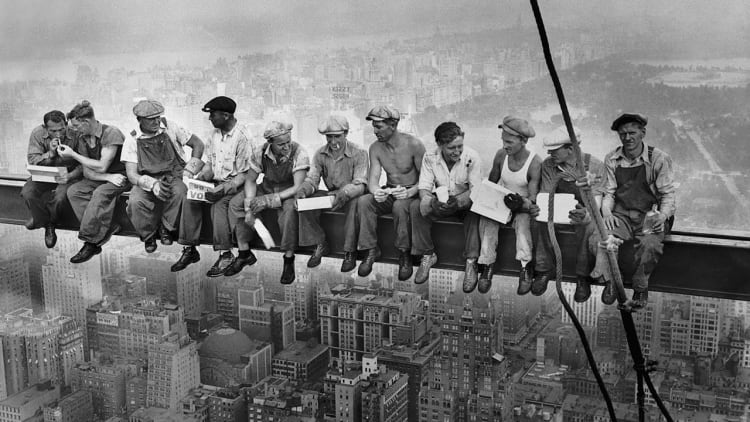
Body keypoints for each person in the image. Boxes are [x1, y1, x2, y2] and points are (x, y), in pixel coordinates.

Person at [589, 113, 676, 309]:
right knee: (602, 238)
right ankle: (612, 281)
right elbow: (609, 192)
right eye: (622, 134)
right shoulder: (612, 158)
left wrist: (662, 216)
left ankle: (640, 285)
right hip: (622, 214)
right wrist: (607, 213)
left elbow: (668, 194)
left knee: (650, 245)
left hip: (650, 215)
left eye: (632, 133)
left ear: (642, 133)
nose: (627, 138)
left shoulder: (658, 159)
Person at [172, 96, 253, 275]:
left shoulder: (243, 138)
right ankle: (189, 249)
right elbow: (210, 164)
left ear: (225, 115)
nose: (210, 119)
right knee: (190, 198)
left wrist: (223, 189)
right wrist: (201, 179)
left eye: (213, 115)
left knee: (219, 205)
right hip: (216, 182)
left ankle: (225, 254)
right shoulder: (214, 136)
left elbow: (243, 175)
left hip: (236, 186)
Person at [230, 118, 310, 283]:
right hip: (267, 187)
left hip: (288, 192)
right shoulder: (260, 152)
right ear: (271, 142)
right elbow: (251, 180)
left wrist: (268, 200)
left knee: (289, 212)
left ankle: (288, 258)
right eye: (281, 144)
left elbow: (297, 187)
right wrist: (249, 205)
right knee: (236, 203)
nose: (286, 147)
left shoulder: (299, 152)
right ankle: (244, 251)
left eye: (288, 142)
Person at [530, 126, 606, 301]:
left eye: (555, 150)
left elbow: (597, 202)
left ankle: (582, 276)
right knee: (539, 220)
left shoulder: (594, 165)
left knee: (587, 226)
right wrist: (541, 208)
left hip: (583, 211)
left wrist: (585, 213)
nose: (550, 153)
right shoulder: (549, 165)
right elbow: (546, 193)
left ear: (571, 149)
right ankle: (543, 269)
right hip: (557, 208)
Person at [121, 99, 205, 253]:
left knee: (180, 193)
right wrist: (152, 185)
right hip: (146, 179)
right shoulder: (132, 139)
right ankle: (148, 235)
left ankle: (166, 228)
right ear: (139, 120)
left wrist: (189, 171)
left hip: (173, 175)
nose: (156, 121)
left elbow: (198, 144)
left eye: (158, 117)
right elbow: (132, 174)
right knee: (135, 201)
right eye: (151, 119)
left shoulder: (170, 126)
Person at [356, 105, 426, 281]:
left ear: (393, 126)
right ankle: (371, 249)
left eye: (378, 126)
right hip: (390, 189)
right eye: (373, 126)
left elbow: (426, 180)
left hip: (412, 192)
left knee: (400, 206)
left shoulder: (414, 145)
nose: (374, 131)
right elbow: (373, 180)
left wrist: (410, 192)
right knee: (364, 201)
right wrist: (377, 192)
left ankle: (404, 254)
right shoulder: (375, 148)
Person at [59, 101, 130, 263]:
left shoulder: (111, 133)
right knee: (74, 191)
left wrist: (73, 155)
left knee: (100, 193)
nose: (75, 130)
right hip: (105, 177)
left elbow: (102, 165)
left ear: (86, 122)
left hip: (122, 177)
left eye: (76, 126)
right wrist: (107, 178)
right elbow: (87, 171)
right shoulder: (83, 138)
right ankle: (107, 227)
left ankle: (90, 242)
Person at [477, 116, 542, 294]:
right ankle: (487, 264)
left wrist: (521, 203)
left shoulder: (534, 163)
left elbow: (533, 197)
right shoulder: (501, 155)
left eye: (509, 142)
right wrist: (487, 201)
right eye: (503, 141)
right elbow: (491, 183)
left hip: (521, 205)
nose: (505, 145)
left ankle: (525, 266)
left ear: (523, 141)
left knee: (522, 224)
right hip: (502, 201)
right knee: (488, 220)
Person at [413, 122, 481, 289]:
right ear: (440, 145)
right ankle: (427, 254)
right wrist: (432, 202)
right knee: (416, 208)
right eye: (452, 148)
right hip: (441, 200)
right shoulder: (430, 157)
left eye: (460, 146)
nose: (457, 152)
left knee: (475, 213)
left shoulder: (472, 157)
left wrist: (458, 202)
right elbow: (424, 187)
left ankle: (471, 261)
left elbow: (476, 190)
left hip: (464, 201)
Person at [296, 114, 368, 271]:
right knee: (305, 204)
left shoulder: (359, 152)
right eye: (329, 137)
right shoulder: (320, 154)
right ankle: (319, 242)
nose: (333, 142)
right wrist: (304, 190)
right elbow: (313, 179)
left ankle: (349, 251)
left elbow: (360, 183)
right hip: (331, 195)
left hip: (352, 194)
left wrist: (344, 193)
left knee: (354, 205)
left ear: (346, 134)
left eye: (337, 136)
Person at [22, 110, 82, 248]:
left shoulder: (76, 133)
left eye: (61, 129)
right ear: (45, 128)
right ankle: (42, 220)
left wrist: (70, 175)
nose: (58, 134)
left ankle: (49, 223)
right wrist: (50, 154)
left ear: (66, 124)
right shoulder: (37, 133)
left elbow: (83, 162)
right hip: (44, 173)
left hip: (67, 174)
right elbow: (33, 160)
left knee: (60, 198)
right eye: (53, 131)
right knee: (28, 193)